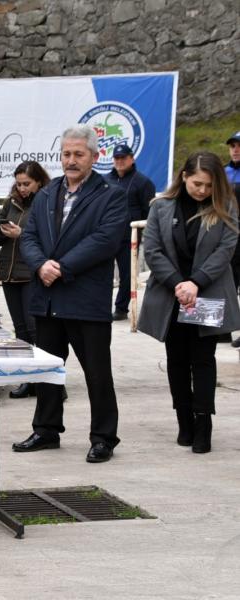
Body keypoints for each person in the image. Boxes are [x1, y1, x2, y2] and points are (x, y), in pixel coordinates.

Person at [13, 124, 126, 464]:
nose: (71, 161)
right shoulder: (48, 194)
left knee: (97, 372)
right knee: (47, 370)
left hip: (85, 299)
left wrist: (59, 267)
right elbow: (29, 237)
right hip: (47, 298)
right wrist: (40, 265)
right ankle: (46, 430)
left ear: (95, 155)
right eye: (66, 154)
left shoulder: (111, 195)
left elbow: (104, 241)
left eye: (79, 154)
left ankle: (104, 437)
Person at [138, 151, 239, 454]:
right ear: (184, 177)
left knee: (203, 360)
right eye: (197, 184)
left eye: (209, 186)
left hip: (205, 294)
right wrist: (178, 284)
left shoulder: (226, 207)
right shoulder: (161, 207)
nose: (203, 191)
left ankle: (203, 421)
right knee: (177, 361)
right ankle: (183, 418)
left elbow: (225, 250)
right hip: (172, 296)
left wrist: (196, 282)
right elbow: (152, 250)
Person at [0, 160, 50, 399]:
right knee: (21, 330)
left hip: (32, 273)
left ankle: (47, 381)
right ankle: (28, 379)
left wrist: (21, 234)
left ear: (39, 181)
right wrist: (1, 230)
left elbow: (48, 238)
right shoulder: (11, 202)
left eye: (27, 183)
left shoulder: (46, 201)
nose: (22, 188)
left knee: (36, 329)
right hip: (9, 273)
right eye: (19, 183)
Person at [106, 143, 156, 320]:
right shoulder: (105, 180)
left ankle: (121, 309)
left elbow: (149, 212)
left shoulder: (143, 182)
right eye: (117, 158)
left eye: (123, 158)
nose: (120, 161)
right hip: (106, 236)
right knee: (102, 273)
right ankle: (102, 305)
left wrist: (142, 235)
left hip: (129, 237)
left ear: (131, 158)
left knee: (127, 275)